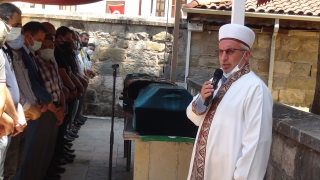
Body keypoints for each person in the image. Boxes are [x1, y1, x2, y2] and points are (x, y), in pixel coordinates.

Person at [186, 24, 273, 180]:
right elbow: (194, 118)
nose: (223, 57)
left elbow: (257, 145)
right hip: (205, 170)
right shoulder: (216, 81)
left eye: (230, 51)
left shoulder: (255, 89)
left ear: (246, 55)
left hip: (227, 173)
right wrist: (202, 100)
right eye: (220, 51)